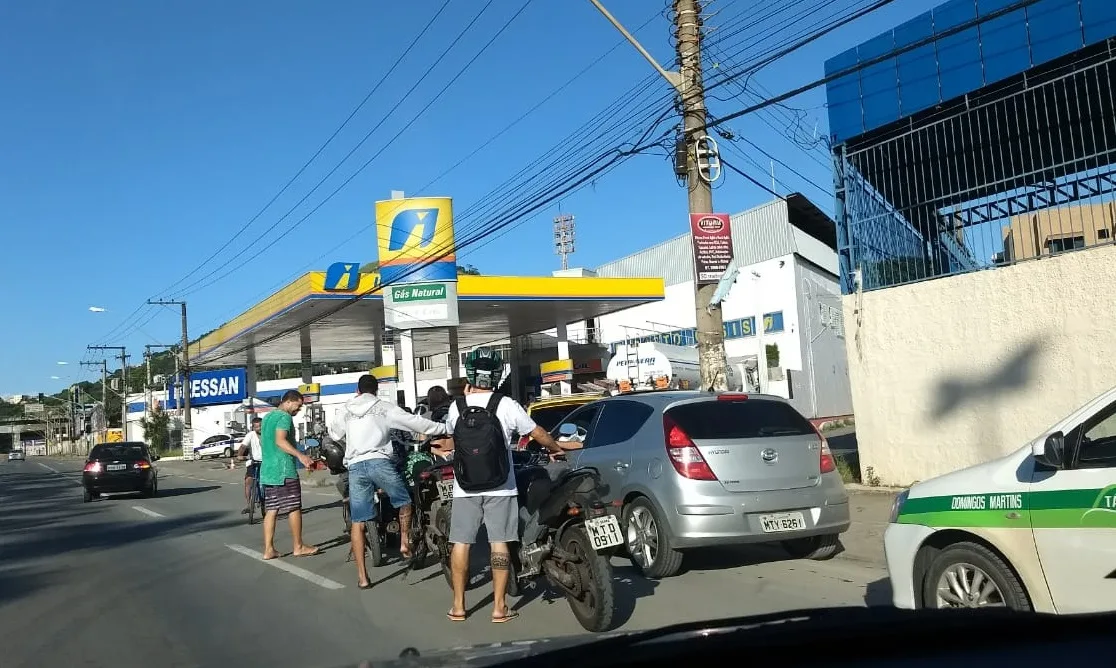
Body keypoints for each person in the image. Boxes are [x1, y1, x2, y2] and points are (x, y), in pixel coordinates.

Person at [445, 347, 568, 624]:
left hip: (465, 488)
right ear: (497, 374)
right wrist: (555, 448)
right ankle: (499, 607)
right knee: (498, 543)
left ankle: (458, 606)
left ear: (471, 373)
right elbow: (537, 433)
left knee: (461, 543)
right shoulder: (507, 404)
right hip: (501, 486)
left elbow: (452, 438)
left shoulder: (456, 406)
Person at [328, 374, 448, 589]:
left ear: (358, 390)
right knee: (404, 501)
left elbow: (334, 433)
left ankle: (363, 577)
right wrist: (443, 428)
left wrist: (352, 439)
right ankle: (403, 540)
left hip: (355, 466)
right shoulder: (384, 407)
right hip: (379, 462)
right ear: (376, 390)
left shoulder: (345, 409)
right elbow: (416, 423)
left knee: (358, 522)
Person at [259, 390, 320, 560]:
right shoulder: (284, 418)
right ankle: (298, 546)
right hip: (284, 469)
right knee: (294, 507)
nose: (298, 410)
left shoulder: (267, 418)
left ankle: (269, 549)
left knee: (271, 509)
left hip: (268, 470)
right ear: (288, 402)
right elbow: (280, 440)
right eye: (298, 406)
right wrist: (301, 456)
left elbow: (266, 442)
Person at [239, 417, 263, 514]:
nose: (259, 428)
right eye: (256, 427)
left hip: (266, 462)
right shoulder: (250, 435)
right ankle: (249, 505)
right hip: (253, 462)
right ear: (253, 427)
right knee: (248, 481)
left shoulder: (268, 434)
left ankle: (268, 502)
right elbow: (243, 446)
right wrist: (240, 455)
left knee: (270, 482)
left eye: (260, 426)